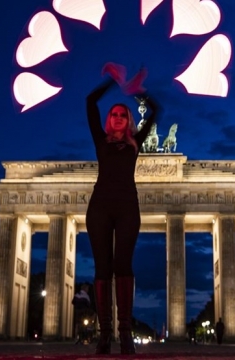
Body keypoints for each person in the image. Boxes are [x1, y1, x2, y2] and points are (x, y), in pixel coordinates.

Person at [86, 63, 159, 355]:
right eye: (113, 114)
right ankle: (105, 335)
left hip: (128, 205)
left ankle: (125, 333)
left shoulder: (135, 143)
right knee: (102, 267)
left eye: (122, 114)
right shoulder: (100, 141)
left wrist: (137, 90)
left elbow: (155, 112)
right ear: (108, 120)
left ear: (129, 121)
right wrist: (112, 80)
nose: (117, 117)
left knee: (123, 265)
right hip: (99, 206)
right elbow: (90, 102)